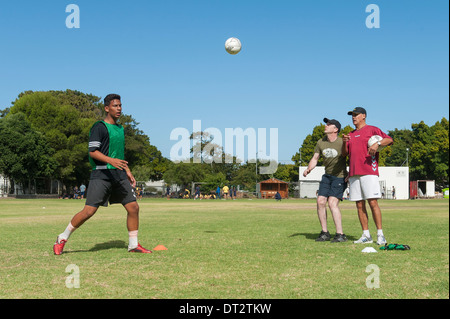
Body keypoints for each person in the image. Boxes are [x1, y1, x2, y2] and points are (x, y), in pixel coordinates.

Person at [53, 94, 152, 255]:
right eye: (115, 106)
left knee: (133, 207)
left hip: (119, 175)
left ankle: (133, 245)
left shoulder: (120, 129)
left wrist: (127, 170)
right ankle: (62, 238)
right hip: (101, 175)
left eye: (120, 105)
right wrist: (110, 161)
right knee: (89, 212)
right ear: (107, 108)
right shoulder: (99, 127)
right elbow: (93, 152)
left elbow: (118, 154)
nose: (119, 108)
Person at [342, 107, 393, 245]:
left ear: (363, 116)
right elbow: (344, 154)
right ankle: (366, 235)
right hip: (354, 173)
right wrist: (344, 142)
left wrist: (377, 143)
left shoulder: (372, 129)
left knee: (372, 202)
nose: (353, 117)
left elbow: (389, 139)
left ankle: (380, 234)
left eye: (356, 115)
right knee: (359, 204)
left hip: (369, 171)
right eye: (352, 115)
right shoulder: (350, 134)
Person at [303, 118, 348, 243]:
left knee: (332, 203)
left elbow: (351, 157)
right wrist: (309, 169)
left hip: (340, 176)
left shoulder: (341, 142)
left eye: (329, 124)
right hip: (327, 176)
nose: (325, 126)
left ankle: (340, 234)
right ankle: (325, 232)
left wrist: (351, 173)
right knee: (320, 201)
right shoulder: (320, 142)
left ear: (335, 129)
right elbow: (315, 158)